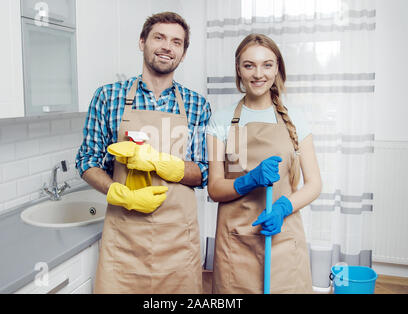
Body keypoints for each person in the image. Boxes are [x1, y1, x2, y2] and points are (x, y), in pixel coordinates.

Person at [75, 12, 211, 294]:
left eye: (176, 42)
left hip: (178, 242)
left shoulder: (197, 104)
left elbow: (203, 171)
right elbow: (87, 161)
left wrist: (163, 163)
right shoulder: (108, 96)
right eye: (159, 37)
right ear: (142, 42)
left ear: (183, 54)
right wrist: (118, 192)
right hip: (124, 239)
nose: (167, 46)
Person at [206, 34, 322, 293]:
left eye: (267, 65)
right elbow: (214, 188)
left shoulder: (295, 119)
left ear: (277, 68)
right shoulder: (221, 120)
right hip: (235, 245)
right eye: (249, 65)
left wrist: (282, 207)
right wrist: (250, 180)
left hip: (282, 238)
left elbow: (314, 184)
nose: (258, 74)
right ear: (239, 69)